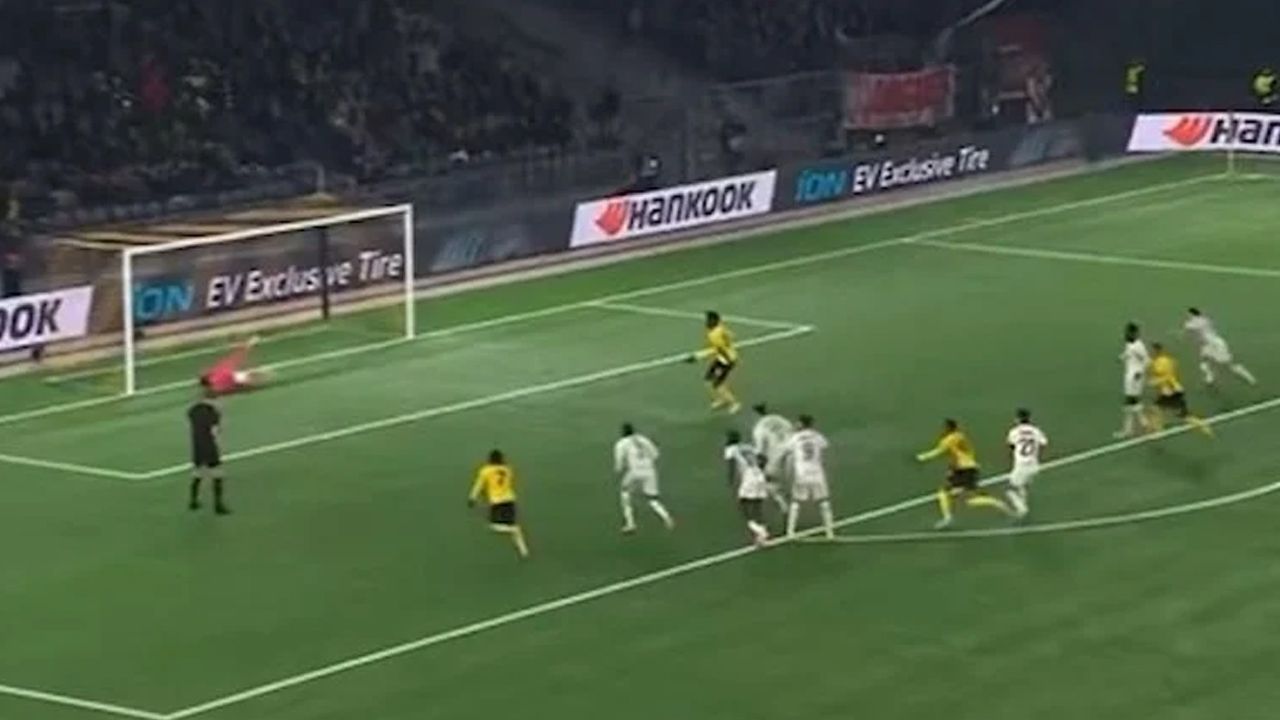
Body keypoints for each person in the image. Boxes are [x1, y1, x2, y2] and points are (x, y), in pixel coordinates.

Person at [916, 419, 1014, 529]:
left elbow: (938, 451)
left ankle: (948, 518)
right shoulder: (960, 436)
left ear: (948, 428)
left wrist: (921, 457)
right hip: (968, 469)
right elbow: (957, 454)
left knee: (949, 493)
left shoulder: (950, 439)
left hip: (964, 470)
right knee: (967, 499)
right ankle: (1002, 506)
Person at [613, 423, 675, 533]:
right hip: (650, 471)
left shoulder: (621, 443)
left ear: (622, 432)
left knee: (625, 493)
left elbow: (619, 464)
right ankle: (667, 518)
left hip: (634, 472)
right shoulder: (643, 439)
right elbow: (656, 455)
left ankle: (630, 523)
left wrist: (619, 470)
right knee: (652, 499)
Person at [468, 450, 530, 558]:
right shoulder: (508, 469)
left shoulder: (485, 470)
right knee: (513, 525)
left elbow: (479, 484)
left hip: (497, 501)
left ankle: (511, 529)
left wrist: (472, 498)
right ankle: (523, 550)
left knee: (494, 526)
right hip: (510, 500)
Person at [781, 414, 834, 539]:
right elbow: (825, 445)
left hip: (802, 473)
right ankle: (830, 532)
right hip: (817, 473)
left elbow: (786, 451)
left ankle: (790, 532)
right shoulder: (817, 436)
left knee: (796, 501)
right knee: (823, 501)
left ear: (801, 424)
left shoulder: (795, 437)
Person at [1148, 343, 1214, 437]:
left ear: (1156, 351)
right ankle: (1202, 426)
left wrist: (1156, 381)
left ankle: (1158, 429)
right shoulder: (1168, 360)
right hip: (1176, 389)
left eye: (1152, 351)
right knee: (1181, 415)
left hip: (1170, 392)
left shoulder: (1159, 363)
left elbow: (1166, 376)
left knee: (1156, 408)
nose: (1151, 353)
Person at [1183, 308, 1256, 387]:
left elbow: (1189, 329)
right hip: (1210, 344)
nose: (1187, 316)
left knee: (1229, 364)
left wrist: (1187, 330)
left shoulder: (1193, 323)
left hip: (1214, 344)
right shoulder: (1205, 319)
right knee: (1204, 360)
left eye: (1188, 314)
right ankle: (1209, 378)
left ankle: (1249, 378)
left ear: (1192, 314)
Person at [188, 379, 230, 514]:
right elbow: (215, 432)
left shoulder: (192, 411)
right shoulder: (213, 412)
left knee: (197, 473)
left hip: (197, 446)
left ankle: (193, 501)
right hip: (209, 446)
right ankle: (218, 505)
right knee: (217, 474)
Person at [685, 311, 741, 413]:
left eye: (709, 320)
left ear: (714, 321)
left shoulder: (714, 334)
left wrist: (697, 356)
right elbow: (732, 335)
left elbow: (718, 350)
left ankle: (734, 403)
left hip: (726, 361)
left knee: (718, 384)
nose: (706, 322)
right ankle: (720, 399)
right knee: (708, 380)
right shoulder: (719, 328)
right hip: (722, 358)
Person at [724, 430, 770, 546]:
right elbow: (764, 458)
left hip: (749, 478)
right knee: (757, 506)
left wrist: (730, 481)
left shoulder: (730, 450)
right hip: (759, 476)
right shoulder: (748, 447)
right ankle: (760, 537)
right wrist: (760, 469)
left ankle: (761, 531)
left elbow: (731, 466)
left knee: (743, 505)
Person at [1005, 408, 1049, 519]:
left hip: (1021, 465)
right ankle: (1023, 505)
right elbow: (1044, 443)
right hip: (1034, 465)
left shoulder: (1014, 432)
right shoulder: (1036, 431)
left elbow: (1011, 445)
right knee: (1022, 486)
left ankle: (1022, 510)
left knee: (1010, 489)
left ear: (1017, 419)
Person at [750, 403, 793, 513]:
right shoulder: (781, 419)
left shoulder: (759, 428)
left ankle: (783, 505)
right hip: (793, 453)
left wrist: (760, 467)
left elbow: (760, 451)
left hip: (776, 457)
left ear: (755, 415)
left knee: (769, 480)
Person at [1116, 322, 1153, 439]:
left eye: (1128, 332)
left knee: (1129, 402)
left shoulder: (1138, 346)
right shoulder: (1130, 344)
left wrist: (1140, 372)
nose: (1126, 334)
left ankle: (1129, 430)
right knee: (1133, 401)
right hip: (1129, 375)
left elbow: (1147, 360)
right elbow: (1129, 353)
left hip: (1135, 376)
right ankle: (1143, 423)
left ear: (1134, 333)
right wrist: (1122, 357)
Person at [200, 336, 272, 395]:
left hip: (234, 377)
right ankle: (261, 377)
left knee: (250, 377)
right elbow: (227, 382)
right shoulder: (216, 379)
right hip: (234, 378)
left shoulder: (215, 381)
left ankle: (260, 377)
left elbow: (225, 384)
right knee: (251, 378)